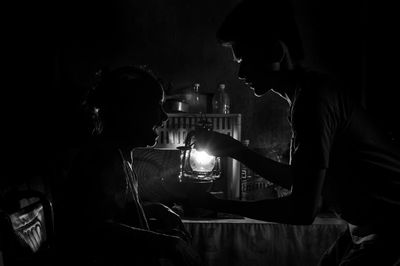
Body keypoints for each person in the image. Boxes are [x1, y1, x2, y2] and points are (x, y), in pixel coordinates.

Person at [186, 0, 400, 265]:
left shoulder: (312, 102)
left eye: (244, 59)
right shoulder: (307, 95)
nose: (240, 73)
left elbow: (302, 210)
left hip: (392, 232)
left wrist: (213, 204)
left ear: (275, 52)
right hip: (365, 229)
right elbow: (303, 180)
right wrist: (235, 150)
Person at [56, 65, 202, 266]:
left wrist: (153, 210)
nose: (164, 117)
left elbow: (111, 212)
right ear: (130, 111)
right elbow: (93, 230)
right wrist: (167, 244)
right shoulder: (102, 158)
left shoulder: (121, 155)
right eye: (156, 106)